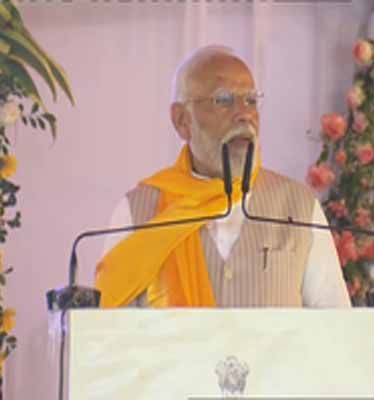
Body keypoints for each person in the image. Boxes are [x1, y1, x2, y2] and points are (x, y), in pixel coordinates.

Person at [95, 46, 350, 308]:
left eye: (251, 101)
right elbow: (107, 326)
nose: (244, 114)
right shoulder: (137, 213)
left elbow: (336, 323)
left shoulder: (299, 207)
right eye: (223, 100)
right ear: (181, 120)